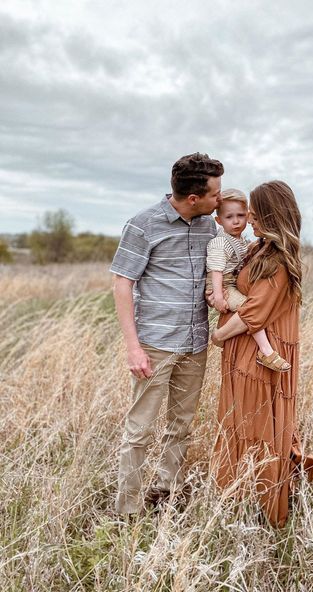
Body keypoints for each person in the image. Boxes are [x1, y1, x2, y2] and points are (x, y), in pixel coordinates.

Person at [110, 152, 224, 516]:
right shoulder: (143, 225)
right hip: (154, 345)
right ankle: (127, 510)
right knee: (140, 429)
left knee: (182, 425)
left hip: (195, 343)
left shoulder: (209, 227)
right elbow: (122, 284)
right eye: (215, 194)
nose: (219, 200)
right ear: (194, 198)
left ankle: (165, 491)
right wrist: (132, 348)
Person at [210, 180, 313, 527]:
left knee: (261, 427)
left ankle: (265, 509)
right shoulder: (257, 249)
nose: (251, 219)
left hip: (260, 358)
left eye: (257, 213)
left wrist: (218, 334)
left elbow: (254, 313)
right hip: (244, 355)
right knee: (243, 425)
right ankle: (240, 503)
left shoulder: (277, 260)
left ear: (272, 215)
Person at [206, 188, 291, 372]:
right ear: (219, 221)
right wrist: (218, 294)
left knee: (248, 309)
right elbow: (216, 271)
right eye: (229, 217)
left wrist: (218, 336)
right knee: (246, 307)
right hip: (224, 285)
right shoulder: (221, 243)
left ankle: (266, 351)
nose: (239, 221)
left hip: (236, 328)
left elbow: (254, 311)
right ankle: (266, 350)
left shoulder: (251, 246)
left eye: (243, 215)